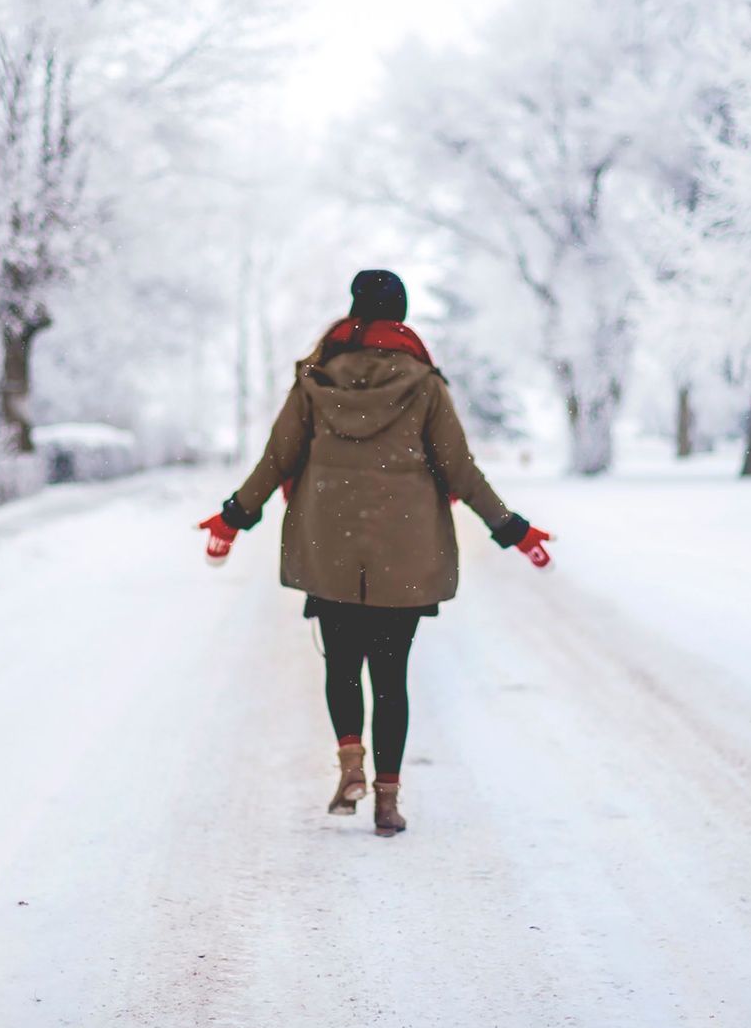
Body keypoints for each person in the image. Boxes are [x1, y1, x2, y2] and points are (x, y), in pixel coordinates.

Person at [198, 269, 551, 837]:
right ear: (401, 316)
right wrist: (512, 529)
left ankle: (351, 765)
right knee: (391, 677)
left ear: (355, 312)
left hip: (328, 545)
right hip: (404, 551)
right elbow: (459, 469)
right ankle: (387, 803)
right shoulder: (425, 384)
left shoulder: (315, 379)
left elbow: (277, 459)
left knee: (341, 664)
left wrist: (235, 515)